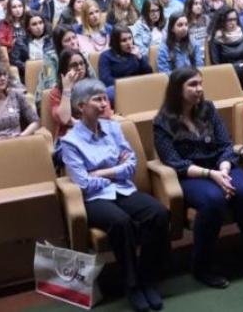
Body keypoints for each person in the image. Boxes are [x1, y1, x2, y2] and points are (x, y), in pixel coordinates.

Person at [59, 78, 169, 312]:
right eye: (97, 99)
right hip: (95, 199)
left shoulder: (113, 127)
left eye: (104, 98)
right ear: (81, 107)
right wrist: (115, 171)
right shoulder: (70, 142)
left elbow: (131, 165)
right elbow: (85, 184)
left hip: (122, 188)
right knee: (121, 222)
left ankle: (147, 277)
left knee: (158, 213)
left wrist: (103, 171)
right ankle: (132, 284)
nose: (104, 103)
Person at [154, 68, 243, 288]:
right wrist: (211, 175)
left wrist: (223, 169)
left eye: (200, 84)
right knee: (213, 201)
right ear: (178, 90)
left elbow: (226, 144)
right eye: (193, 85)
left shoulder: (208, 109)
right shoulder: (162, 122)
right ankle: (202, 266)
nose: (199, 89)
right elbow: (174, 162)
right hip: (192, 175)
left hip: (220, 166)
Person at [37, 26, 97, 99]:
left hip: (81, 95)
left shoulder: (81, 55)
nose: (73, 42)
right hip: (53, 97)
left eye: (74, 37)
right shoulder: (50, 58)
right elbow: (50, 85)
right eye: (67, 40)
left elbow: (93, 79)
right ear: (59, 44)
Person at [99, 25, 153, 103]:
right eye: (124, 40)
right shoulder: (106, 56)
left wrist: (140, 58)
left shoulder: (135, 52)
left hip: (139, 87)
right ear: (116, 43)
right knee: (110, 93)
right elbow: (106, 80)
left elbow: (149, 73)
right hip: (119, 89)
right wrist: (127, 84)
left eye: (130, 38)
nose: (128, 43)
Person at [49, 49, 95, 138]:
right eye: (74, 65)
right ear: (65, 69)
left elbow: (106, 114)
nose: (79, 68)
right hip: (69, 137)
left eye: (82, 63)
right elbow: (65, 119)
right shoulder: (56, 93)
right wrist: (67, 89)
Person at [208, 7, 243, 84]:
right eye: (229, 20)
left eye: (235, 19)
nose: (233, 23)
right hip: (227, 76)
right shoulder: (216, 39)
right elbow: (216, 64)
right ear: (222, 21)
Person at [11, 11, 53, 79]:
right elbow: (14, 60)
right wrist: (30, 67)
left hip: (49, 75)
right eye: (34, 24)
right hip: (29, 76)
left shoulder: (50, 40)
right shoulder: (20, 42)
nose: (38, 27)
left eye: (40, 23)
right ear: (28, 27)